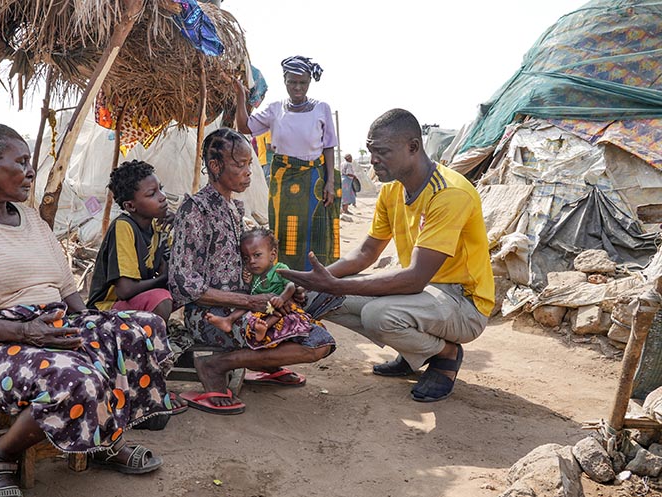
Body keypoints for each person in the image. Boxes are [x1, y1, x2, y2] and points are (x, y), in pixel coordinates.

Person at [0, 122, 181, 497]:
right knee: (74, 378)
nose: (30, 172)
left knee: (142, 329)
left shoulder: (32, 222)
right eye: (22, 162)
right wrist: (25, 333)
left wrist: (93, 324)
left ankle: (103, 439)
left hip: (51, 328)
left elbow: (66, 289)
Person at [280, 109, 494, 403]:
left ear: (413, 147)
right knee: (318, 298)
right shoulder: (392, 189)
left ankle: (446, 355)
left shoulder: (449, 193)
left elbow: (416, 278)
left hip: (463, 303)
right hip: (425, 296)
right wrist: (320, 280)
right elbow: (367, 252)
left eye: (382, 152)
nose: (375, 160)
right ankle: (413, 351)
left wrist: (336, 285)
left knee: (377, 315)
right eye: (371, 151)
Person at [169, 128, 340, 415]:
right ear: (215, 166)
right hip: (210, 316)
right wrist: (250, 302)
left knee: (324, 296)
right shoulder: (195, 211)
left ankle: (268, 362)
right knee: (318, 345)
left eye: (250, 164)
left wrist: (282, 290)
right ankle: (216, 365)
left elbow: (248, 268)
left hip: (246, 305)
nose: (249, 172)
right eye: (240, 165)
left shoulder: (233, 208)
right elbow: (184, 285)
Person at [234, 55, 340, 271]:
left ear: (309, 82)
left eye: (302, 82)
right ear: (285, 80)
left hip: (314, 179)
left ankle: (316, 278)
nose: (297, 87)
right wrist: (240, 98)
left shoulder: (322, 109)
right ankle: (286, 276)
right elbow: (245, 127)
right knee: (284, 231)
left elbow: (328, 146)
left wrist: (329, 181)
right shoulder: (275, 109)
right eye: (292, 81)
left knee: (314, 229)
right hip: (284, 181)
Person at [88, 160, 173, 324]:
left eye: (160, 189)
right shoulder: (124, 227)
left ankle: (153, 332)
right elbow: (125, 290)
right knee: (160, 298)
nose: (162, 197)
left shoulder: (157, 225)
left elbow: (169, 265)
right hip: (106, 309)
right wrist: (162, 279)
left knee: (188, 290)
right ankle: (148, 343)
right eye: (151, 194)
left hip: (134, 303)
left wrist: (179, 224)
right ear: (130, 206)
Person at [204, 227, 313, 348]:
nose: (251, 261)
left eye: (257, 255)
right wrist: (248, 281)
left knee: (279, 313)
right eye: (246, 258)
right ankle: (228, 320)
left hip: (279, 306)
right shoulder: (255, 275)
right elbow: (252, 293)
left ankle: (263, 328)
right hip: (260, 307)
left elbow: (291, 285)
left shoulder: (279, 269)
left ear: (273, 254)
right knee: (245, 303)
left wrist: (282, 298)